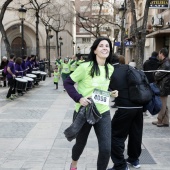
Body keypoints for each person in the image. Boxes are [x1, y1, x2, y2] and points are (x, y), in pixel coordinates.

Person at [64, 37, 115, 170]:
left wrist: (112, 92)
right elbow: (67, 83)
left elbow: (101, 88)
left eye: (107, 46)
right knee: (80, 144)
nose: (105, 48)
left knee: (106, 149)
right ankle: (74, 163)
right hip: (84, 111)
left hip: (103, 112)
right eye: (101, 46)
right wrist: (79, 98)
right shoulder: (85, 67)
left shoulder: (110, 68)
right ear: (95, 50)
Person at [108, 55, 143, 170]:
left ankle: (120, 165)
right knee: (135, 135)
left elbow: (107, 91)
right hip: (138, 107)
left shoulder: (111, 72)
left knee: (115, 136)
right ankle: (134, 159)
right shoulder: (129, 68)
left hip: (124, 108)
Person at [152, 48, 170, 127]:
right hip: (163, 86)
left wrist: (155, 74)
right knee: (164, 104)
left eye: (159, 53)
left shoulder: (166, 64)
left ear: (162, 54)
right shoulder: (165, 63)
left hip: (163, 86)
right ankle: (165, 121)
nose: (158, 55)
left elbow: (157, 75)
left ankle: (160, 120)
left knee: (162, 104)